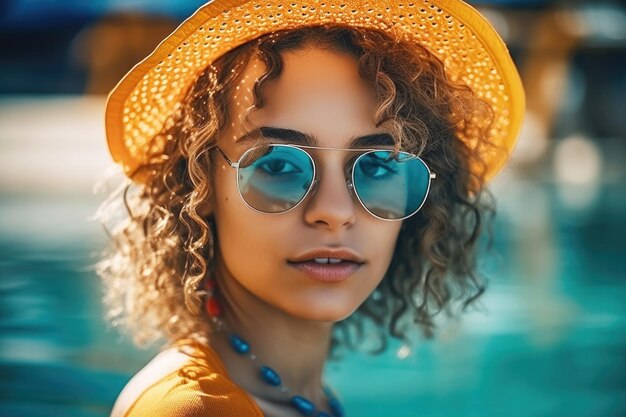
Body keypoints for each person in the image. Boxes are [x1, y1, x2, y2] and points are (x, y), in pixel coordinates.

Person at [98, 1, 524, 416]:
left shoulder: (293, 396)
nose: (334, 211)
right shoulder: (196, 410)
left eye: (379, 166)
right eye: (280, 164)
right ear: (201, 183)